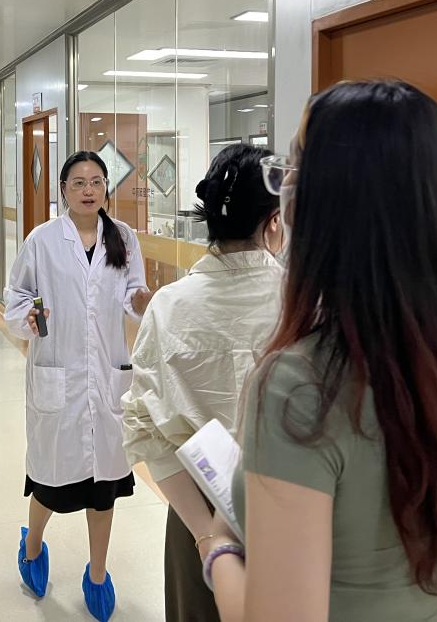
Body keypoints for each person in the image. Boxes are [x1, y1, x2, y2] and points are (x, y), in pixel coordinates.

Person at [205, 80, 437, 622]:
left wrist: (217, 548)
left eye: (292, 168)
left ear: (326, 207)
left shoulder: (297, 386)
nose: (284, 187)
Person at [121, 143, 284, 622]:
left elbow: (144, 431)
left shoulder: (170, 306)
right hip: (296, 506)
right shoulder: (302, 301)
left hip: (197, 507)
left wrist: (206, 535)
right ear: (274, 221)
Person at [4, 150, 152, 621]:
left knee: (104, 488)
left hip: (106, 377)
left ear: (106, 187)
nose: (88, 190)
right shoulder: (42, 240)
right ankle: (31, 546)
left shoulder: (123, 237)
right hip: (60, 374)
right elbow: (18, 295)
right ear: (63, 190)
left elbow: (132, 296)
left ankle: (98, 574)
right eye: (78, 183)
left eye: (96, 181)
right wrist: (28, 317)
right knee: (50, 486)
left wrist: (142, 302)